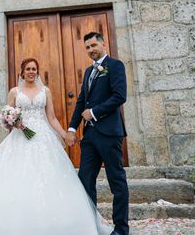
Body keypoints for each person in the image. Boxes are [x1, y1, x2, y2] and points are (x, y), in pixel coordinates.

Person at [0, 58, 111, 235]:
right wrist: (13, 122)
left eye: (34, 69)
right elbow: (6, 114)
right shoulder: (15, 91)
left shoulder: (45, 91)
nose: (31, 72)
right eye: (28, 69)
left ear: (37, 71)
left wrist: (64, 135)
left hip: (43, 138)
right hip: (20, 137)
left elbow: (52, 118)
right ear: (22, 71)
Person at [65, 32, 130, 235]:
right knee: (85, 180)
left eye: (93, 45)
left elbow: (120, 96)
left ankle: (121, 229)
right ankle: (89, 225)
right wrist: (72, 128)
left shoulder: (115, 65)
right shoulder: (88, 72)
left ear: (103, 43)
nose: (91, 50)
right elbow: (81, 102)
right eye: (87, 47)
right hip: (90, 137)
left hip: (110, 133)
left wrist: (93, 113)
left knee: (116, 182)